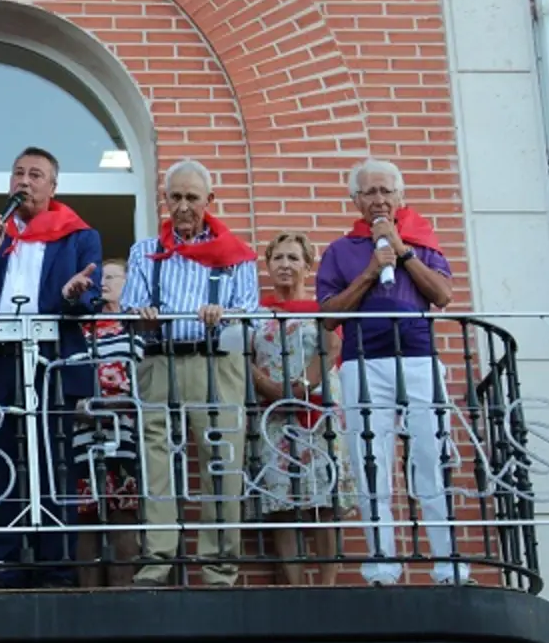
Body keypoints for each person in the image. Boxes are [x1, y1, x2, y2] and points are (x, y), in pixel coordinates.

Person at [0, 146, 101, 589]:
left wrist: (72, 295)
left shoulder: (78, 236)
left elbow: (89, 300)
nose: (24, 181)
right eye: (18, 173)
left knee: (56, 462)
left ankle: (57, 565)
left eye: (35, 175)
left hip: (51, 360)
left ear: (53, 187)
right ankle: (3, 563)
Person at [316, 158, 469, 586]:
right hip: (364, 362)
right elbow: (328, 316)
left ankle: (448, 564)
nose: (379, 200)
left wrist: (402, 252)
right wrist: (369, 271)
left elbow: (442, 294)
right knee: (372, 463)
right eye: (369, 192)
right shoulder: (340, 250)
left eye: (386, 191)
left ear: (400, 197)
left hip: (418, 357)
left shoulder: (420, 240)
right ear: (355, 200)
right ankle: (382, 566)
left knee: (431, 458)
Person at [120, 158, 259, 588]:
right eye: (175, 197)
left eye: (192, 198)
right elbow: (129, 309)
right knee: (155, 459)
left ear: (209, 201)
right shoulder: (145, 252)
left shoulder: (235, 254)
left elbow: (250, 315)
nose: (182, 206)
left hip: (216, 361)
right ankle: (158, 559)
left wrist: (226, 314)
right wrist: (141, 316)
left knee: (222, 458)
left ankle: (218, 568)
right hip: (158, 358)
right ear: (165, 200)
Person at [251, 231, 354, 586]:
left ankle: (326, 586)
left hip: (318, 409)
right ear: (268, 265)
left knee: (325, 502)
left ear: (308, 266)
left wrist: (300, 388)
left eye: (294, 258)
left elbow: (333, 347)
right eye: (278, 258)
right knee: (283, 502)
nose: (285, 265)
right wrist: (269, 387)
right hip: (273, 414)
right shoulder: (255, 312)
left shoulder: (321, 310)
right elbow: (240, 354)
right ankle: (296, 586)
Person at [73, 258, 142, 588]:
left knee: (122, 513)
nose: (104, 282)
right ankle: (88, 595)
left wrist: (107, 403)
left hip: (124, 434)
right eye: (101, 277)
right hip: (83, 434)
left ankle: (122, 592)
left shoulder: (133, 329)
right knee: (86, 513)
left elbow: (144, 383)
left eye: (113, 277)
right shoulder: (79, 331)